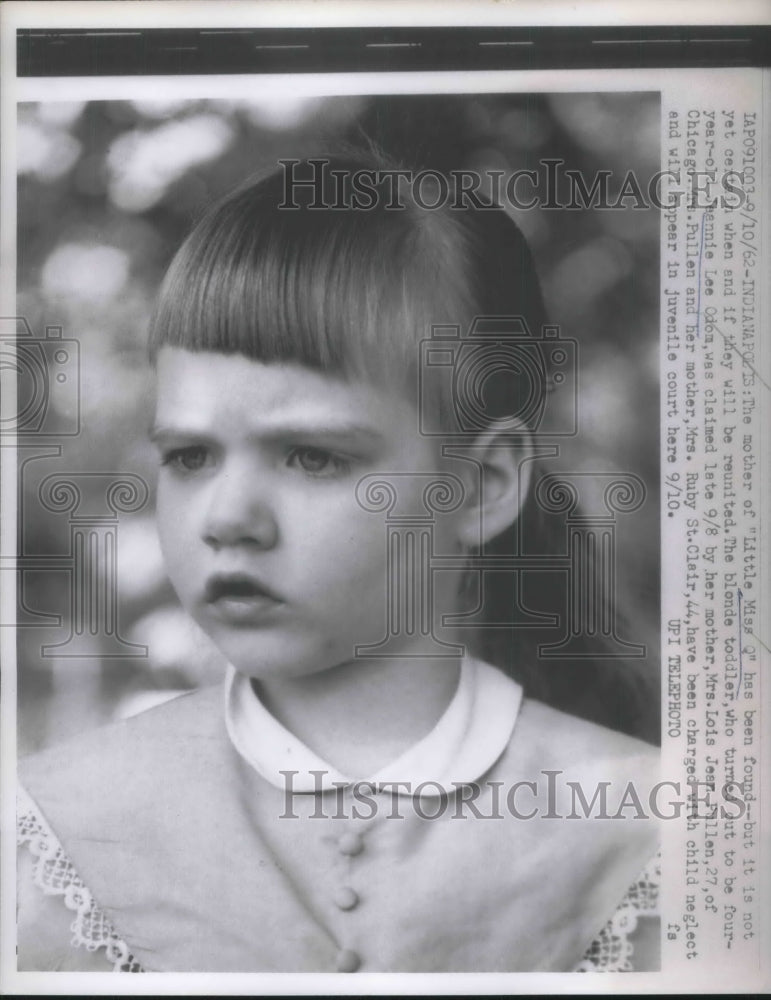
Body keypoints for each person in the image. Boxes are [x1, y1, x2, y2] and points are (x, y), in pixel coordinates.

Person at [17, 152, 660, 974]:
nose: (227, 519)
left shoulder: (651, 839)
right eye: (188, 456)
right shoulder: (55, 829)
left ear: (481, 485)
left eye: (312, 457)